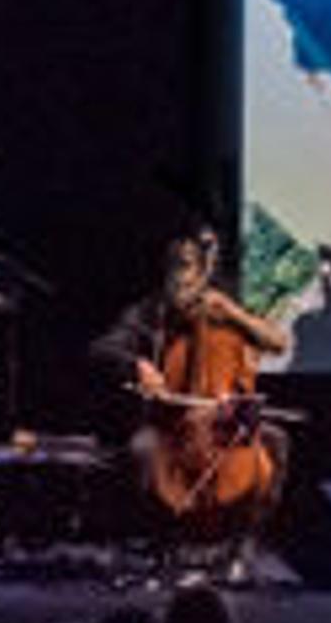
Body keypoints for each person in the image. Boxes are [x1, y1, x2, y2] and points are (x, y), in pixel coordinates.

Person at [91, 230, 295, 555]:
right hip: (170, 424)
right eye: (174, 272)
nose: (181, 286)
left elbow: (279, 342)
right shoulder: (149, 312)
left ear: (202, 274)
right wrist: (136, 365)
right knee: (140, 449)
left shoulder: (224, 309)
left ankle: (245, 542)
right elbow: (103, 348)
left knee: (276, 442)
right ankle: (160, 539)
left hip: (225, 420)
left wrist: (234, 313)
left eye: (186, 273)